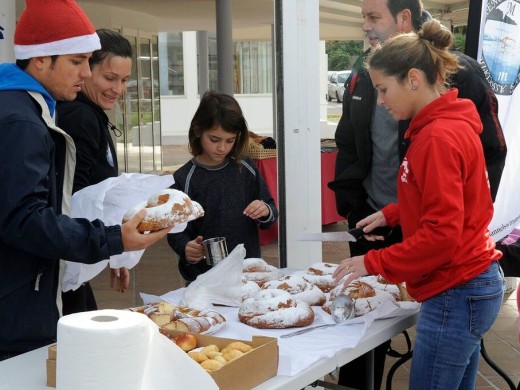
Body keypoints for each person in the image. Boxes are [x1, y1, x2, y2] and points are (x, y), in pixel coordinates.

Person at [328, 1, 507, 388]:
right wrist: (393, 213)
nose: (380, 101)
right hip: (469, 281)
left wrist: (372, 262)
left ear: (412, 79)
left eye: (383, 89)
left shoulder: (437, 137)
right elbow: (453, 200)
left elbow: (441, 236)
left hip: (457, 287)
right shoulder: (440, 126)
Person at [0, 0, 168, 361]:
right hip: (16, 306)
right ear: (41, 59)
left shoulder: (23, 110)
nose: (87, 74)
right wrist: (111, 239)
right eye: (77, 62)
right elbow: (24, 219)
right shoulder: (22, 122)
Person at [56, 29, 133, 315]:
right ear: (88, 70)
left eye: (124, 80)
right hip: (66, 256)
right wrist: (114, 242)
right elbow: (76, 199)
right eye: (110, 78)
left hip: (74, 252)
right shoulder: (80, 117)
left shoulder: (91, 114)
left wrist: (115, 250)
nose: (118, 89)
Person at [167, 91, 278, 284]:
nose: (222, 148)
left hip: (247, 274)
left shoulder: (246, 167)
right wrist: (186, 247)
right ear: (198, 130)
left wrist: (265, 210)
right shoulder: (184, 178)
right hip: (203, 278)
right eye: (214, 139)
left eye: (230, 140)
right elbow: (175, 230)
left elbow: (270, 211)